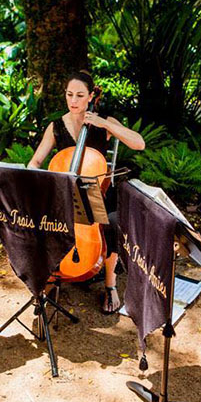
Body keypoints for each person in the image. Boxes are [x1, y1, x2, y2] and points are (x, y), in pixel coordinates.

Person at [28, 71, 145, 313]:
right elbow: (36, 161)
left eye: (80, 95)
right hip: (63, 196)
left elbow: (139, 143)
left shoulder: (102, 122)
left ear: (91, 97)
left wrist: (105, 124)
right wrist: (35, 177)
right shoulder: (56, 126)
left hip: (97, 194)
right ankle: (48, 279)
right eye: (70, 95)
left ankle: (111, 285)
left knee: (112, 222)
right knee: (41, 221)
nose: (74, 101)